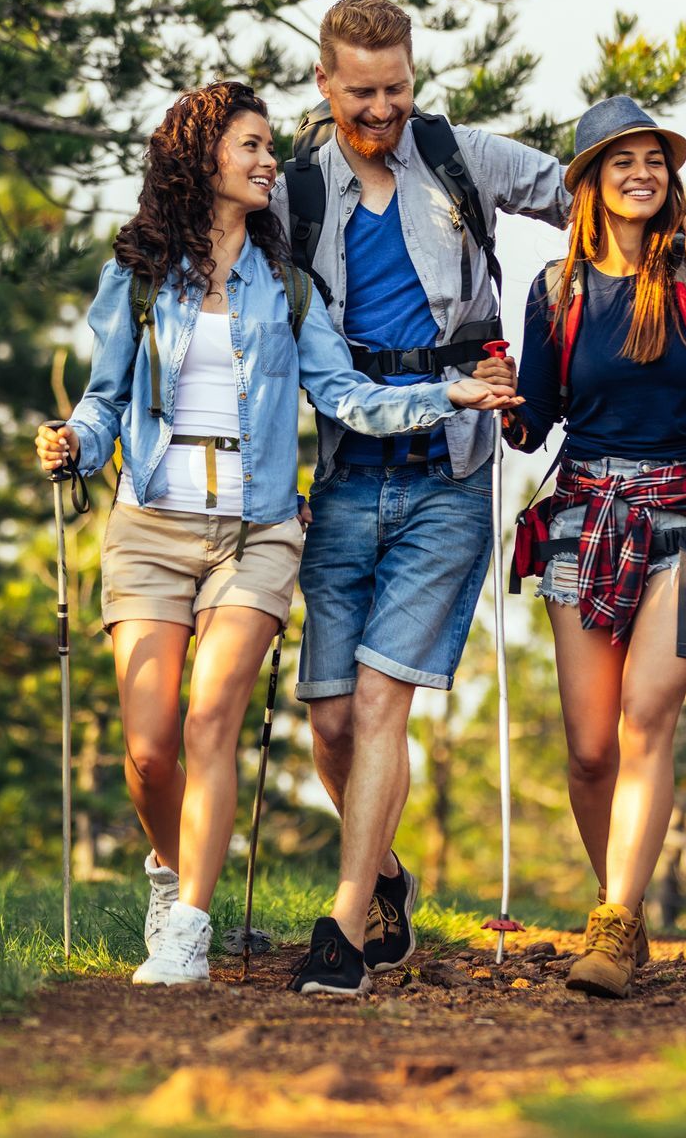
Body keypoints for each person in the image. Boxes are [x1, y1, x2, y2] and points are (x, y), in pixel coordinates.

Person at [272, 0, 686, 997]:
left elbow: (592, 187)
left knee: (388, 695)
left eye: (398, 87)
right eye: (362, 92)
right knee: (334, 724)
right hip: (353, 457)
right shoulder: (296, 190)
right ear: (325, 85)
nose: (384, 107)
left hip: (458, 460)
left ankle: (351, 927)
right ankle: (392, 886)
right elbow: (235, 272)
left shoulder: (454, 155)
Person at [34, 81, 519, 987]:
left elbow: (344, 395)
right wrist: (74, 444)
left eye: (268, 148)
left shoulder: (289, 288)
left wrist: (443, 395)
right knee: (149, 749)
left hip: (255, 533)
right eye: (252, 147)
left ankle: (188, 931)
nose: (270, 164)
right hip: (148, 527)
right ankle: (171, 870)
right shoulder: (135, 275)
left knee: (212, 718)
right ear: (201, 157)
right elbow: (104, 404)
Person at [504, 97, 686, 999]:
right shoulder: (554, 292)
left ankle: (613, 925)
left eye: (654, 160)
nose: (641, 174)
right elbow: (534, 424)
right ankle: (620, 899)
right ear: (587, 182)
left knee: (649, 713)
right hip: (585, 511)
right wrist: (508, 399)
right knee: (588, 747)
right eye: (621, 163)